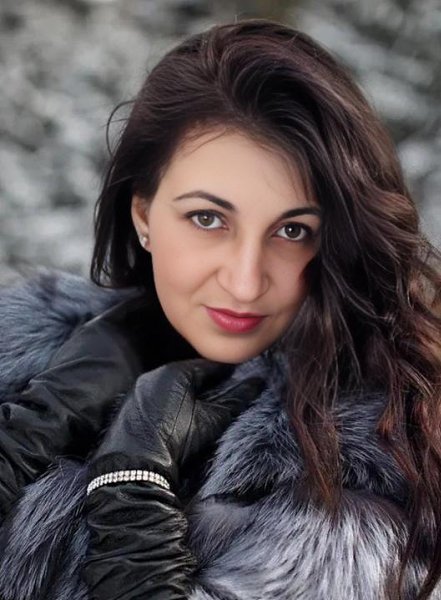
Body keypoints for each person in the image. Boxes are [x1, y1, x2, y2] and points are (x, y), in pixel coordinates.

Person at [0, 16, 440, 600]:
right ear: (143, 215)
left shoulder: (378, 474)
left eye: (292, 230)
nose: (245, 281)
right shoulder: (30, 352)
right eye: (207, 218)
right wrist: (32, 429)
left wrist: (133, 486)